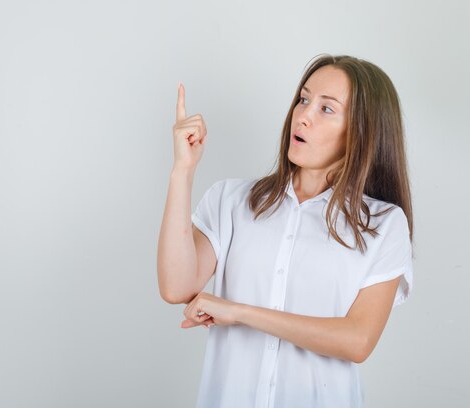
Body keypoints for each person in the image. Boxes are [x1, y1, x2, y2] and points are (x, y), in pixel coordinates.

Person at [157, 53, 414, 408]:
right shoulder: (231, 200)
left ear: (362, 131)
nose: (303, 116)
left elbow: (358, 341)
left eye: (326, 109)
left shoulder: (383, 224)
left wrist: (241, 312)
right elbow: (176, 287)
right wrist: (182, 172)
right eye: (304, 99)